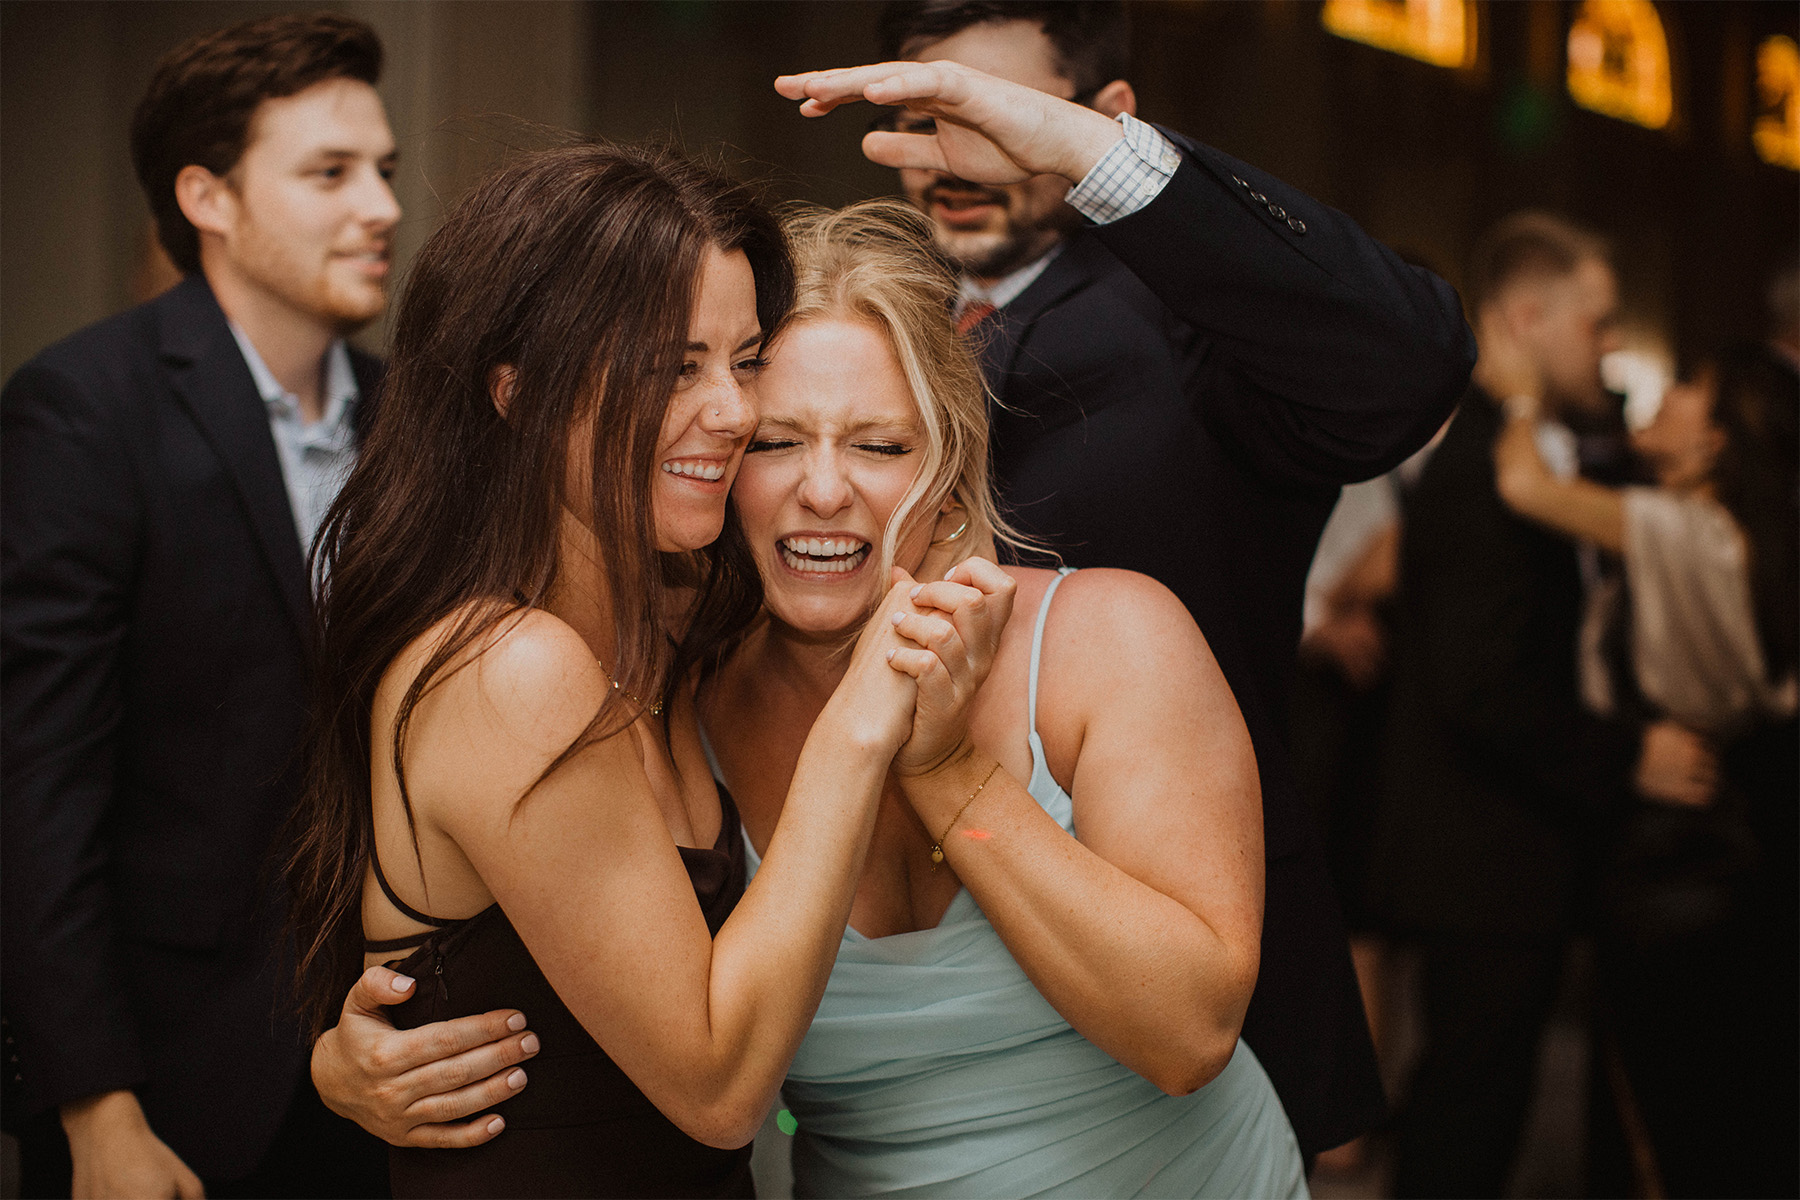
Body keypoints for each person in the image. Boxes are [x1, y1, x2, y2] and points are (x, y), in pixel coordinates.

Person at [317, 194, 1308, 1197]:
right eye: (774, 444)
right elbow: (527, 916)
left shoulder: (1112, 636)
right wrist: (354, 1052)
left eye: (879, 446)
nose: (824, 491)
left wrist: (947, 770)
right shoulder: (668, 686)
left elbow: (1190, 1036)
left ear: (950, 464)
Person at [770, 1, 1477, 1157]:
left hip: (1167, 977)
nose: (956, 159)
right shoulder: (850, 336)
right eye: (925, 116)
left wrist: (1091, 163)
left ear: (1104, 120)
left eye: (994, 118)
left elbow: (1413, 364)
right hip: (877, 1002)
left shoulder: (1201, 320)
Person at [285, 145, 1001, 1199]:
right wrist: (862, 725)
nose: (732, 411)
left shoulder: (679, 627)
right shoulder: (506, 669)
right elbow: (720, 1091)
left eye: (744, 360)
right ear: (517, 393)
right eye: (676, 367)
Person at [1, 13, 399, 1197]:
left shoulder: (407, 416)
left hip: (379, 1069)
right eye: (330, 173)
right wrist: (92, 1109)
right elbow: (33, 783)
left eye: (383, 170)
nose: (379, 205)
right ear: (207, 197)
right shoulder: (83, 409)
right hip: (168, 1086)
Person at [1364, 211, 1718, 1198]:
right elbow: (1483, 687)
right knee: (1464, 1126)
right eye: (1597, 324)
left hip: (1501, 849)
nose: (1608, 349)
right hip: (1480, 854)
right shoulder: (1484, 469)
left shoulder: (1524, 449)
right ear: (1528, 316)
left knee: (1482, 1111)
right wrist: (1627, 758)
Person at [1493, 343, 1798, 1197]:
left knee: (1660, 1097)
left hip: (1670, 849)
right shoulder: (1739, 535)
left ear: (1718, 444)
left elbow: (1523, 486)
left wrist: (1521, 393)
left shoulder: (1681, 530)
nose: (1659, 403)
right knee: (1700, 1088)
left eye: (1686, 395)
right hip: (1721, 829)